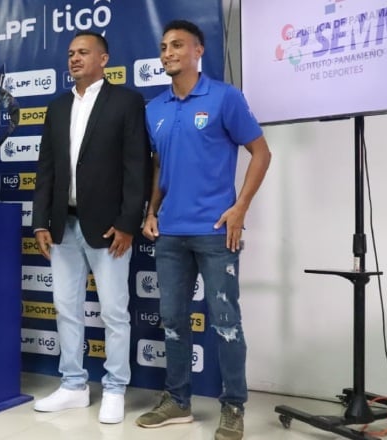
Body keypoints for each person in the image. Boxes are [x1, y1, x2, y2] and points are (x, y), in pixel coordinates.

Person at [134, 20, 272, 440]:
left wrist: (240, 207)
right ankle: (177, 401)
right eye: (163, 46)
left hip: (215, 232)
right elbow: (160, 166)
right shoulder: (154, 108)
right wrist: (151, 212)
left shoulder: (225, 97)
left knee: (226, 321)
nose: (167, 53)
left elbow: (261, 153)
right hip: (170, 233)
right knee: (174, 320)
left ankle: (233, 407)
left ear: (199, 51)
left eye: (177, 45)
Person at [31, 30, 151, 424]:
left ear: (104, 59)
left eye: (83, 52)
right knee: (66, 309)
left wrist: (128, 223)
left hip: (109, 228)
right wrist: (40, 223)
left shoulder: (127, 102)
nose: (75, 59)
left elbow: (138, 167)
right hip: (62, 225)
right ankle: (73, 385)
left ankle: (116, 387)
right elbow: (45, 168)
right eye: (70, 53)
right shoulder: (58, 106)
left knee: (115, 312)